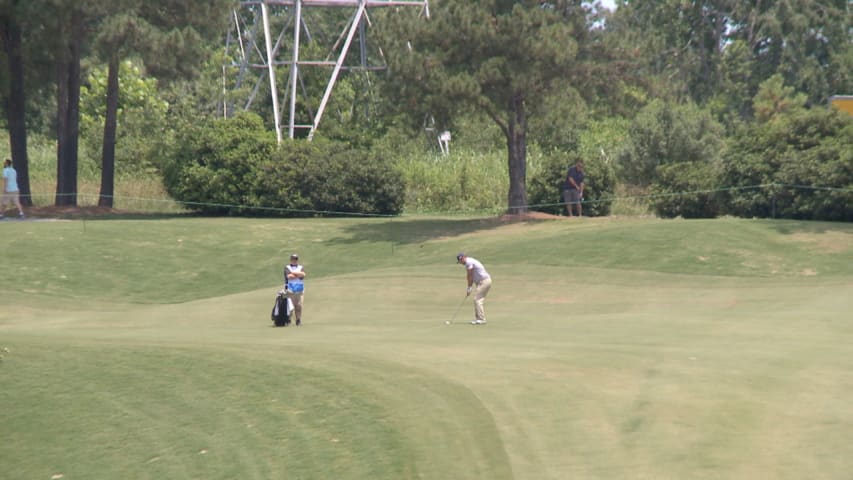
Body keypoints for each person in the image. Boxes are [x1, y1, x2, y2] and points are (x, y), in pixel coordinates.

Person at [456, 253, 492, 325]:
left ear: (465, 257)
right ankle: (478, 319)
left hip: (485, 281)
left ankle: (481, 319)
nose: (461, 262)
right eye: (460, 261)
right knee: (477, 299)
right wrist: (470, 286)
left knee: (477, 299)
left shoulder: (469, 262)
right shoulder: (468, 262)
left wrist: (469, 287)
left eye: (462, 260)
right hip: (482, 282)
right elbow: (471, 276)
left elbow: (470, 275)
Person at [282, 253, 306, 326]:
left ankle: (298, 320)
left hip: (299, 288)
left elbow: (303, 275)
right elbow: (289, 277)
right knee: (290, 306)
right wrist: (298, 274)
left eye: (295, 259)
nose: (294, 260)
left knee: (299, 305)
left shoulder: (301, 267)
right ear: (290, 260)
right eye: (293, 259)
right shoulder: (287, 267)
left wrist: (293, 273)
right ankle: (288, 320)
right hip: (290, 288)